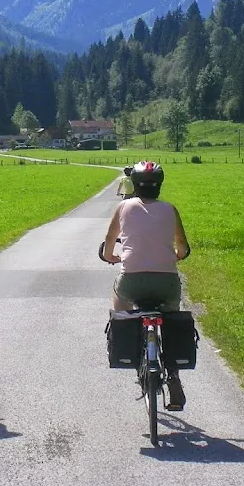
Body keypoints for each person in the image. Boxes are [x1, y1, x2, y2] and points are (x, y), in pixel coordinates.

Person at [102, 161, 191, 410]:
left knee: (120, 302)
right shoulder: (170, 209)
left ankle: (132, 348)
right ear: (159, 185)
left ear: (134, 185)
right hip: (166, 282)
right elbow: (182, 246)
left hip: (132, 280)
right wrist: (177, 255)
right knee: (171, 321)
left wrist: (111, 256)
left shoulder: (123, 207)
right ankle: (173, 376)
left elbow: (109, 242)